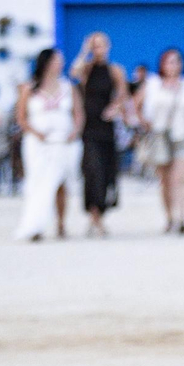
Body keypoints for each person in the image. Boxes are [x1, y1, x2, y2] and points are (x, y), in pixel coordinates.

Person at [13, 48, 85, 241]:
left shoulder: (68, 87)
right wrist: (36, 133)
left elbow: (78, 114)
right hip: (37, 143)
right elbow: (21, 117)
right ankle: (35, 224)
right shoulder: (30, 88)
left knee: (60, 182)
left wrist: (74, 131)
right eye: (56, 60)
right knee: (38, 183)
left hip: (62, 141)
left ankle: (61, 223)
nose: (60, 63)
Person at [137, 47, 184, 235]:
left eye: (177, 61)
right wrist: (144, 122)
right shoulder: (153, 84)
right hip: (160, 135)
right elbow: (135, 103)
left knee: (181, 179)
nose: (173, 65)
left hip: (183, 135)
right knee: (165, 181)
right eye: (169, 61)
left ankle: (182, 217)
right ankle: (169, 217)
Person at [70, 31, 128, 237]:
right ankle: (92, 214)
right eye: (95, 46)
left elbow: (122, 95)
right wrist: (84, 51)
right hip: (89, 128)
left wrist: (115, 108)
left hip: (107, 128)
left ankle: (100, 216)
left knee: (106, 172)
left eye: (101, 45)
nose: (98, 50)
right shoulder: (86, 69)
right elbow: (73, 72)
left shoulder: (115, 71)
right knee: (91, 170)